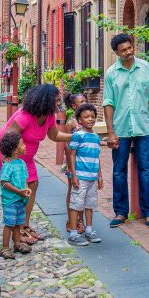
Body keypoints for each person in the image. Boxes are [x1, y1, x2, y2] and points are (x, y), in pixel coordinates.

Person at [0, 84, 73, 243]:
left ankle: (24, 225)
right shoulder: (25, 116)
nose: (59, 104)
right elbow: (7, 138)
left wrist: (75, 137)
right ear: (46, 100)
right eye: (56, 101)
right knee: (17, 191)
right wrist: (8, 160)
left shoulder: (48, 116)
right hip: (8, 153)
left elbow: (54, 135)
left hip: (26, 158)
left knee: (33, 186)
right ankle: (17, 230)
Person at [103, 33, 149, 230]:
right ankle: (120, 212)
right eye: (123, 50)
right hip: (120, 128)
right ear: (116, 53)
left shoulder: (146, 68)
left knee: (146, 170)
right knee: (119, 171)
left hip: (143, 125)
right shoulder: (111, 73)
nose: (128, 52)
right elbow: (108, 103)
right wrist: (110, 132)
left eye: (130, 48)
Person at [66, 104, 104, 246]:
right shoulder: (77, 135)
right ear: (79, 120)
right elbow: (72, 155)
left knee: (90, 204)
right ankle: (74, 233)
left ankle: (89, 230)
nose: (90, 119)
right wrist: (73, 175)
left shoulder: (95, 137)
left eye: (93, 117)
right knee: (76, 204)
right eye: (86, 117)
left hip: (92, 178)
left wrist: (99, 176)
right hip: (80, 177)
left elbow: (97, 157)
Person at [0, 130, 32, 259]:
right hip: (10, 200)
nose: (25, 146)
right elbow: (4, 182)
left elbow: (25, 180)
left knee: (18, 223)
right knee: (9, 224)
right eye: (22, 144)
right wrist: (19, 192)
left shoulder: (22, 163)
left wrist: (27, 189)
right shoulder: (8, 165)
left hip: (21, 199)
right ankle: (5, 248)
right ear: (15, 150)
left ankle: (17, 243)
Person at [61, 93, 85, 233]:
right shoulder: (71, 123)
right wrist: (71, 165)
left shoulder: (87, 121)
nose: (85, 102)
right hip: (73, 161)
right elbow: (66, 145)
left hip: (85, 162)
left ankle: (81, 220)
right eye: (81, 101)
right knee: (74, 190)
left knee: (84, 192)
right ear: (74, 106)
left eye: (85, 100)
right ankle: (72, 220)